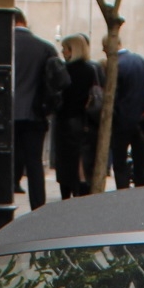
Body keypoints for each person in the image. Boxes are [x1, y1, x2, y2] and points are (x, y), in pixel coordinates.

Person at [9, 10, 68, 211]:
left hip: (7, 113)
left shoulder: (2, 46)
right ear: (25, 22)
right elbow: (60, 80)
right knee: (34, 163)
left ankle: (4, 200)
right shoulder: (44, 48)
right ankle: (38, 206)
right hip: (35, 113)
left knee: (8, 159)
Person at [53, 34, 104, 199]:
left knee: (65, 160)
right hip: (84, 120)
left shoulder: (64, 70)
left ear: (72, 50)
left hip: (65, 120)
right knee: (81, 158)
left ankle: (67, 191)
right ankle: (81, 187)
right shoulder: (90, 70)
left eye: (65, 49)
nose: (62, 52)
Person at [107, 43, 144, 188]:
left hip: (122, 121)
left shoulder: (116, 65)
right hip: (141, 119)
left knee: (120, 162)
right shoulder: (139, 61)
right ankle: (141, 191)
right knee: (141, 161)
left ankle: (123, 192)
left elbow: (113, 96)